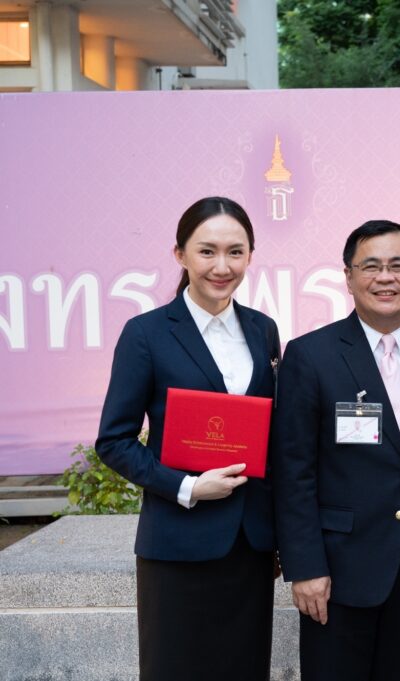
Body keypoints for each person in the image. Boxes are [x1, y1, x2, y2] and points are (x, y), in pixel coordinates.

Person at [271, 220, 400, 681]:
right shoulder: (311, 355)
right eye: (371, 266)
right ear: (348, 277)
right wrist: (304, 567)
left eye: (398, 266)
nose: (386, 278)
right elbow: (294, 471)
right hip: (338, 565)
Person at [96, 196, 280, 681]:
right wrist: (186, 488)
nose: (222, 267)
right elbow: (113, 441)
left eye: (235, 252)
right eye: (207, 251)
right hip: (177, 543)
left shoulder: (264, 331)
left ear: (250, 256)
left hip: (250, 545)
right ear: (180, 255)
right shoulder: (147, 334)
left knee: (245, 669)